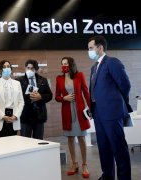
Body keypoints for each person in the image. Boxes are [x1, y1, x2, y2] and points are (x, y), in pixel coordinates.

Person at [88, 35, 131, 180]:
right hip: (98, 113)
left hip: (112, 113)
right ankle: (107, 175)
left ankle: (124, 177)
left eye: (91, 48)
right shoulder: (94, 67)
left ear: (100, 48)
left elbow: (125, 85)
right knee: (104, 147)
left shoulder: (112, 62)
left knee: (118, 148)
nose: (89, 51)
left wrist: (119, 103)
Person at [55, 57, 91, 178]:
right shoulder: (59, 78)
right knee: (70, 138)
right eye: (62, 64)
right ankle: (74, 164)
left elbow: (86, 92)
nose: (64, 66)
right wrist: (64, 98)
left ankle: (84, 165)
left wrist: (92, 108)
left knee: (81, 138)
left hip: (79, 111)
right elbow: (56, 96)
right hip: (67, 111)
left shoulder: (79, 75)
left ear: (71, 65)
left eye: (66, 64)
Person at [16, 59, 52, 140]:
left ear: (36, 69)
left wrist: (40, 97)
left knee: (39, 141)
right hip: (25, 115)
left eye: (32, 68)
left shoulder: (43, 80)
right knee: (25, 142)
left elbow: (49, 95)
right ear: (25, 68)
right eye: (28, 68)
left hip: (39, 115)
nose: (30, 70)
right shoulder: (18, 81)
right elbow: (16, 97)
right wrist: (29, 97)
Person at [0, 60, 24, 138]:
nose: (7, 68)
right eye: (4, 67)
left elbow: (21, 102)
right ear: (0, 70)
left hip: (13, 119)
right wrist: (2, 116)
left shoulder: (17, 83)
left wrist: (16, 116)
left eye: (8, 66)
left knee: (13, 145)